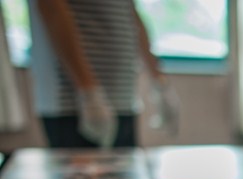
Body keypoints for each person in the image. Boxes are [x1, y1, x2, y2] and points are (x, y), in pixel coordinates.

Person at [28, 0, 178, 148]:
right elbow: (51, 7)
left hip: (122, 98)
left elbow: (130, 14)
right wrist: (88, 92)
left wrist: (159, 82)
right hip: (72, 102)